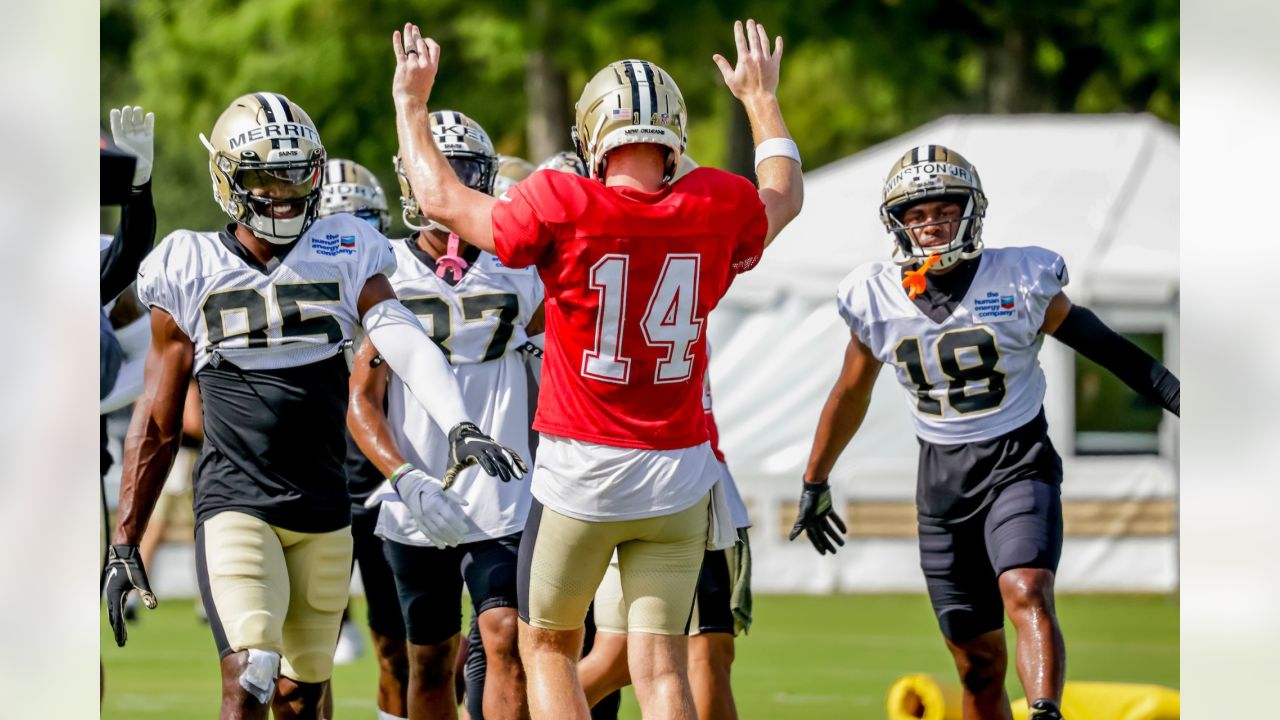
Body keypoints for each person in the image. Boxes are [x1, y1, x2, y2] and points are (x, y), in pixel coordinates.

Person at [390, 17, 802, 719]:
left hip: (582, 468)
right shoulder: (714, 204)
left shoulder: (562, 202)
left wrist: (412, 105)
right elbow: (784, 194)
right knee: (660, 667)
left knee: (546, 646)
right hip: (679, 469)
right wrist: (761, 100)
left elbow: (440, 201)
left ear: (591, 137)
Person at [103, 91, 525, 719]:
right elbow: (161, 417)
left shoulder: (344, 246)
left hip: (323, 508)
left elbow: (400, 334)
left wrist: (456, 422)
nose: (282, 195)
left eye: (295, 177)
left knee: (303, 697)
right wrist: (126, 537)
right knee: (249, 675)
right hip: (235, 504)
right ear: (228, 179)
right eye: (264, 180)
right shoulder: (189, 263)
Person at [790, 145, 1181, 720]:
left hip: (1017, 460)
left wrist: (1183, 399)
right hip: (942, 486)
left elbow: (1111, 350)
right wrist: (814, 479)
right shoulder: (876, 296)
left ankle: (1046, 711)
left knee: (1027, 589)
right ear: (896, 223)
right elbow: (851, 393)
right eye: (916, 214)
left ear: (970, 210)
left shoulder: (1020, 278)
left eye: (943, 209)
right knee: (977, 668)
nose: (931, 224)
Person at [349, 109, 543, 720]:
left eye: (466, 170)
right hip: (421, 493)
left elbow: (553, 361)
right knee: (428, 659)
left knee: (506, 636)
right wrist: (401, 476)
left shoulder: (522, 266)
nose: (452, 181)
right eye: (441, 167)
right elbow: (362, 400)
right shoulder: (384, 270)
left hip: (504, 488)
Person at [579, 345, 753, 720]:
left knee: (702, 649)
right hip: (666, 479)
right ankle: (508, 711)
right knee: (691, 651)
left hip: (684, 477)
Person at [316, 158, 412, 718]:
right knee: (305, 655)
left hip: (383, 489)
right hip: (316, 484)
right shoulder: (291, 293)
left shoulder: (397, 288)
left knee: (399, 649)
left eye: (366, 221)